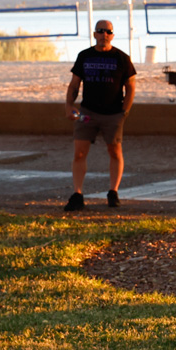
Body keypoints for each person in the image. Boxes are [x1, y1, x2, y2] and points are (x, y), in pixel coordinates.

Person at [63, 19, 136, 211]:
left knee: (114, 151)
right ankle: (77, 194)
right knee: (79, 153)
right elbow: (74, 84)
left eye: (108, 32)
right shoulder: (84, 56)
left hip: (113, 114)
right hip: (87, 113)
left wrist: (124, 112)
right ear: (95, 34)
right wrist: (69, 106)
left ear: (112, 35)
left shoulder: (122, 58)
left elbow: (130, 87)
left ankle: (113, 192)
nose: (104, 35)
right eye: (101, 31)